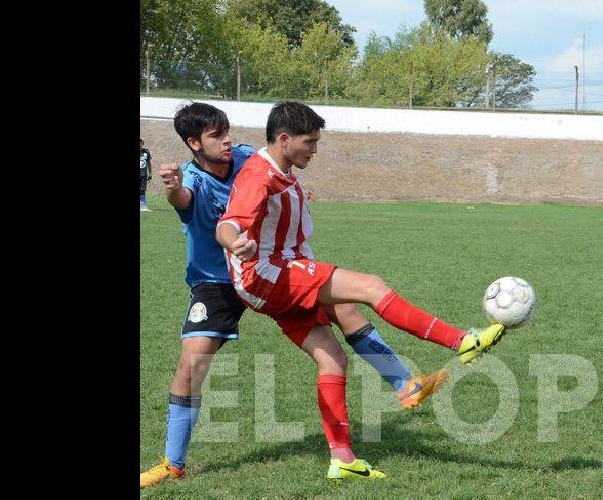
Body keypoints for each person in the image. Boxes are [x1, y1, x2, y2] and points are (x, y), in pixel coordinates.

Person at [140, 102, 446, 489]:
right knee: (192, 364)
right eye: (216, 135)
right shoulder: (192, 180)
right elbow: (183, 203)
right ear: (193, 143)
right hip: (216, 281)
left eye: (227, 130)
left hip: (265, 269)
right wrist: (172, 191)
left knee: (344, 304)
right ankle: (173, 462)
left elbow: (275, 172)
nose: (228, 139)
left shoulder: (248, 158)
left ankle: (404, 384)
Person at [216, 101, 509, 481]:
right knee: (370, 287)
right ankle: (463, 342)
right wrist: (235, 242)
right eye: (310, 142)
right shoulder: (259, 176)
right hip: (267, 274)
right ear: (284, 139)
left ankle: (344, 457)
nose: (315, 149)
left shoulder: (277, 167)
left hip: (270, 276)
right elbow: (229, 224)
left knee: (335, 355)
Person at [140, 138, 153, 211]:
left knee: (142, 189)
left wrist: (150, 173)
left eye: (141, 144)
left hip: (143, 174)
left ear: (142, 144)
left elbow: (149, 163)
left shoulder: (146, 152)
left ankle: (143, 206)